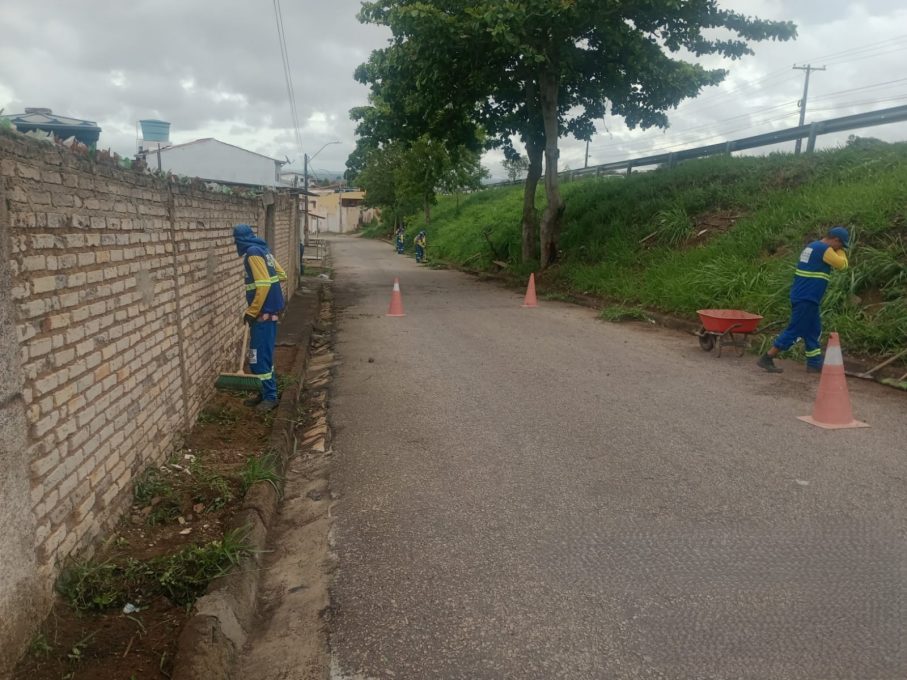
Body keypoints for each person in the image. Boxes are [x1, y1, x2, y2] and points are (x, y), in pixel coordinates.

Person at [757, 225, 850, 374]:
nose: (840, 248)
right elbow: (842, 265)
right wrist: (841, 252)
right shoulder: (824, 249)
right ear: (836, 240)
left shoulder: (812, 246)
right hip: (807, 297)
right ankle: (767, 357)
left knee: (813, 330)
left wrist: (838, 249)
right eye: (841, 245)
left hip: (805, 296)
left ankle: (814, 363)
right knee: (796, 329)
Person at [233, 224, 287, 411]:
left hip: (262, 316)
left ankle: (270, 397)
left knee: (258, 358)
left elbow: (263, 284)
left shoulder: (253, 252)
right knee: (260, 356)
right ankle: (264, 392)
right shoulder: (263, 250)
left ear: (239, 240)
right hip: (267, 316)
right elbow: (281, 275)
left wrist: (252, 311)